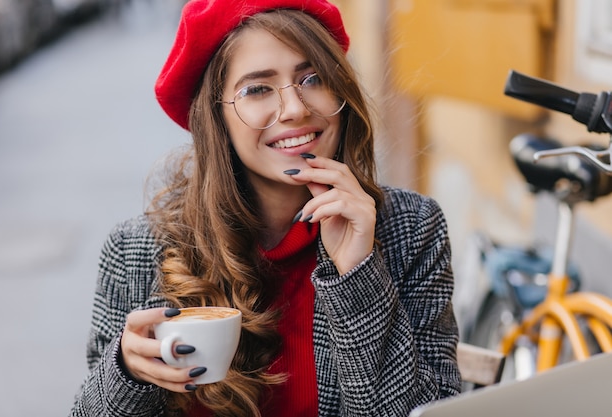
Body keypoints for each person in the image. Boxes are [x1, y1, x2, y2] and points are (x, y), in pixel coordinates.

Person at [69, 0, 461, 416]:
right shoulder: (135, 251)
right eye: (257, 89)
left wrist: (359, 275)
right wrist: (128, 373)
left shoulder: (409, 229)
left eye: (312, 78)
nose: (295, 109)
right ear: (215, 116)